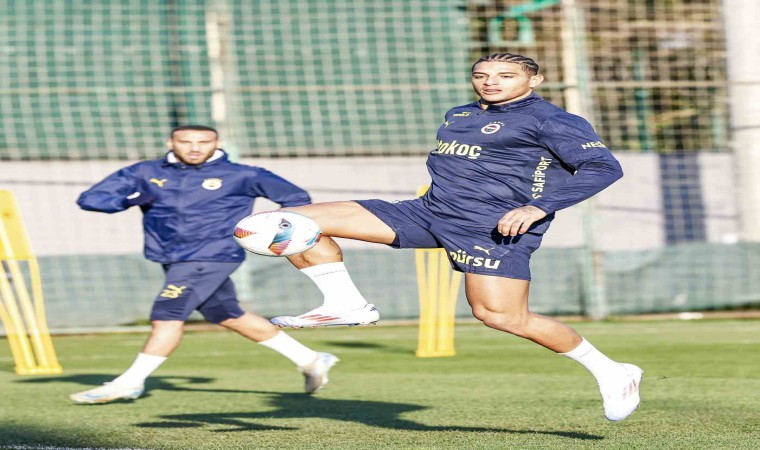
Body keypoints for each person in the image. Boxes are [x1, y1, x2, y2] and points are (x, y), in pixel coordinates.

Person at [270, 53, 642, 421]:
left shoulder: (552, 120)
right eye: (481, 75)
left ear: (534, 80)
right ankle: (347, 304)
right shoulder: (460, 114)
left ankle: (612, 371)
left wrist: (537, 208)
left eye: (505, 75)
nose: (491, 82)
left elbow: (602, 167)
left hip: (492, 227)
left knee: (501, 316)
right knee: (289, 222)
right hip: (428, 211)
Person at [69, 125, 338, 404]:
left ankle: (129, 382)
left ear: (217, 143)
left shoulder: (243, 174)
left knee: (167, 315)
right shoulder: (145, 172)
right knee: (227, 315)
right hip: (172, 256)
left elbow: (297, 199)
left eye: (203, 142)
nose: (195, 148)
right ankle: (311, 359)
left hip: (214, 255)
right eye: (186, 142)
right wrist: (130, 199)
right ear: (171, 143)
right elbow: (90, 199)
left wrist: (269, 229)